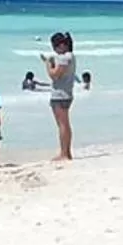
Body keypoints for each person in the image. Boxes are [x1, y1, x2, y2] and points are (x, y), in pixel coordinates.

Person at [43, 32, 78, 161]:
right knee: (65, 124)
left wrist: (47, 64)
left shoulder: (64, 58)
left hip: (60, 95)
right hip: (66, 93)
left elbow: (54, 75)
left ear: (62, 45)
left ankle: (64, 153)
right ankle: (66, 152)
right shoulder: (70, 56)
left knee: (62, 125)